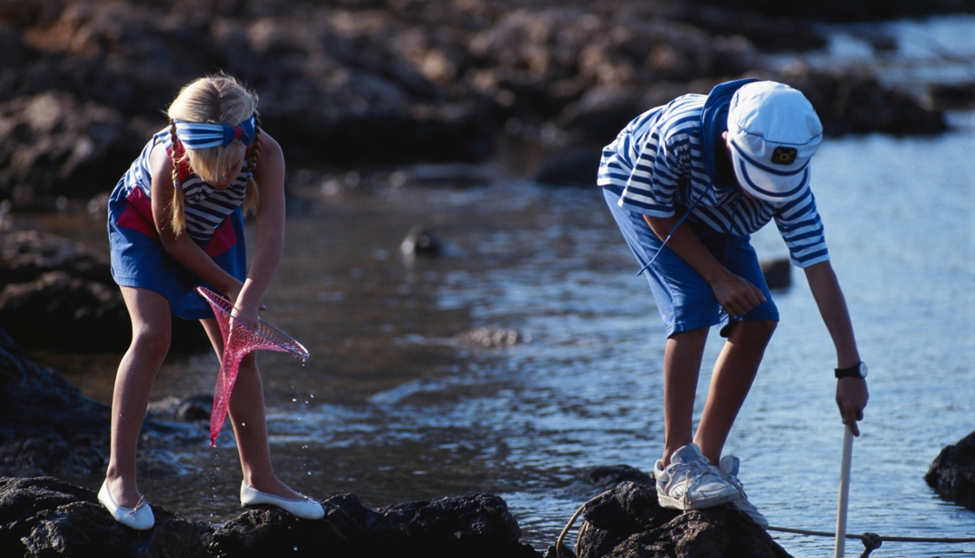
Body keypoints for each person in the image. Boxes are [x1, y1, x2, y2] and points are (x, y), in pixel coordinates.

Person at [596, 79, 869, 528]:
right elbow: (655, 209)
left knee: (760, 318)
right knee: (693, 300)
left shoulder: (791, 181)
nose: (763, 193)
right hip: (642, 194)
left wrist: (850, 370)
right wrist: (717, 276)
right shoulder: (681, 132)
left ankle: (705, 459)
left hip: (718, 217)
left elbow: (819, 269)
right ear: (728, 142)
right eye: (757, 181)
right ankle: (675, 461)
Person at [101, 74, 324, 530]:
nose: (223, 176)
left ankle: (258, 478)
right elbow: (173, 239)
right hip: (145, 224)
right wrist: (229, 285)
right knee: (152, 336)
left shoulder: (267, 152)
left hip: (213, 228)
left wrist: (247, 297)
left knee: (238, 352)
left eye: (231, 166)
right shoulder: (169, 157)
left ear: (247, 140)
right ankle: (118, 477)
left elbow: (272, 240)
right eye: (209, 167)